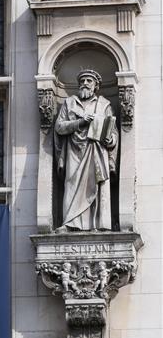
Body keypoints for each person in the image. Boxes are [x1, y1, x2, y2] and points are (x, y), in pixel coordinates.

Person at [54, 69, 117, 231]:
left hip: (96, 151)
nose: (85, 84)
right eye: (82, 81)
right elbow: (59, 127)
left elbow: (113, 132)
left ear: (96, 85)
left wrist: (110, 140)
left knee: (95, 185)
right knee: (72, 185)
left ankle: (96, 224)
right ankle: (70, 223)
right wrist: (80, 122)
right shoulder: (69, 103)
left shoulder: (104, 105)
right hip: (74, 153)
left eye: (89, 81)